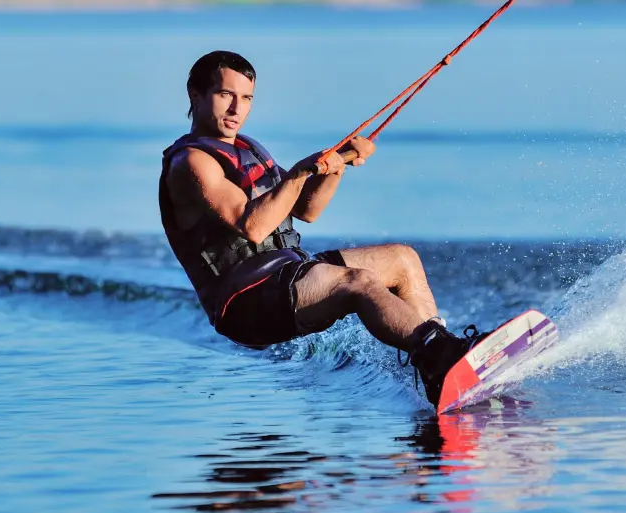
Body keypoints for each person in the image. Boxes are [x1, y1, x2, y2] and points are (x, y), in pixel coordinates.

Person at [159, 50, 493, 407]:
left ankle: (439, 369)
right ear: (196, 94)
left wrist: (337, 166)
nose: (236, 108)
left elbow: (306, 209)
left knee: (402, 259)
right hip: (245, 303)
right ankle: (442, 356)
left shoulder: (247, 148)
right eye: (225, 94)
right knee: (358, 282)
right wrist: (299, 174)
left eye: (246, 98)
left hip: (286, 274)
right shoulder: (191, 162)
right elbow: (252, 227)